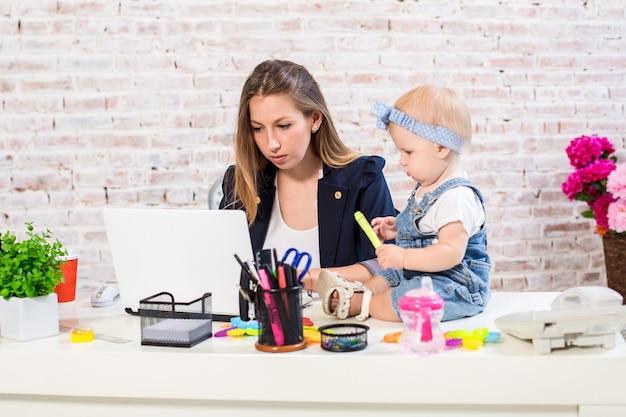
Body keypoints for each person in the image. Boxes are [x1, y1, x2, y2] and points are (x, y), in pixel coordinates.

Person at [317, 84, 491, 322]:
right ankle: (363, 291)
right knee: (389, 273)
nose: (402, 161)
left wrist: (405, 257)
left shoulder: (457, 196)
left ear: (441, 148)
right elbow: (426, 229)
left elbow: (451, 252)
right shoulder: (428, 186)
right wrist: (396, 227)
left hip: (455, 285)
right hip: (423, 272)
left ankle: (361, 303)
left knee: (411, 298)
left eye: (408, 152)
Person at [219, 59, 396, 291]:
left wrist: (302, 278)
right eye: (258, 128)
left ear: (314, 119)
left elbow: (388, 266)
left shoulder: (362, 178)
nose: (271, 144)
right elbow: (220, 267)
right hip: (258, 325)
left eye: (283, 126)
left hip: (338, 324)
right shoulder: (241, 183)